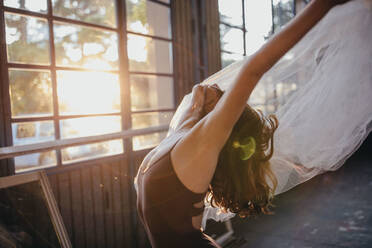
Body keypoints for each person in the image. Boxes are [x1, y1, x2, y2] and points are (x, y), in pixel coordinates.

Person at [135, 0, 353, 247]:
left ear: (223, 122)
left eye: (229, 102)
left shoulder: (199, 147)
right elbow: (198, 93)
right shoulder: (183, 130)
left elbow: (253, 70)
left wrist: (321, 6)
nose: (222, 90)